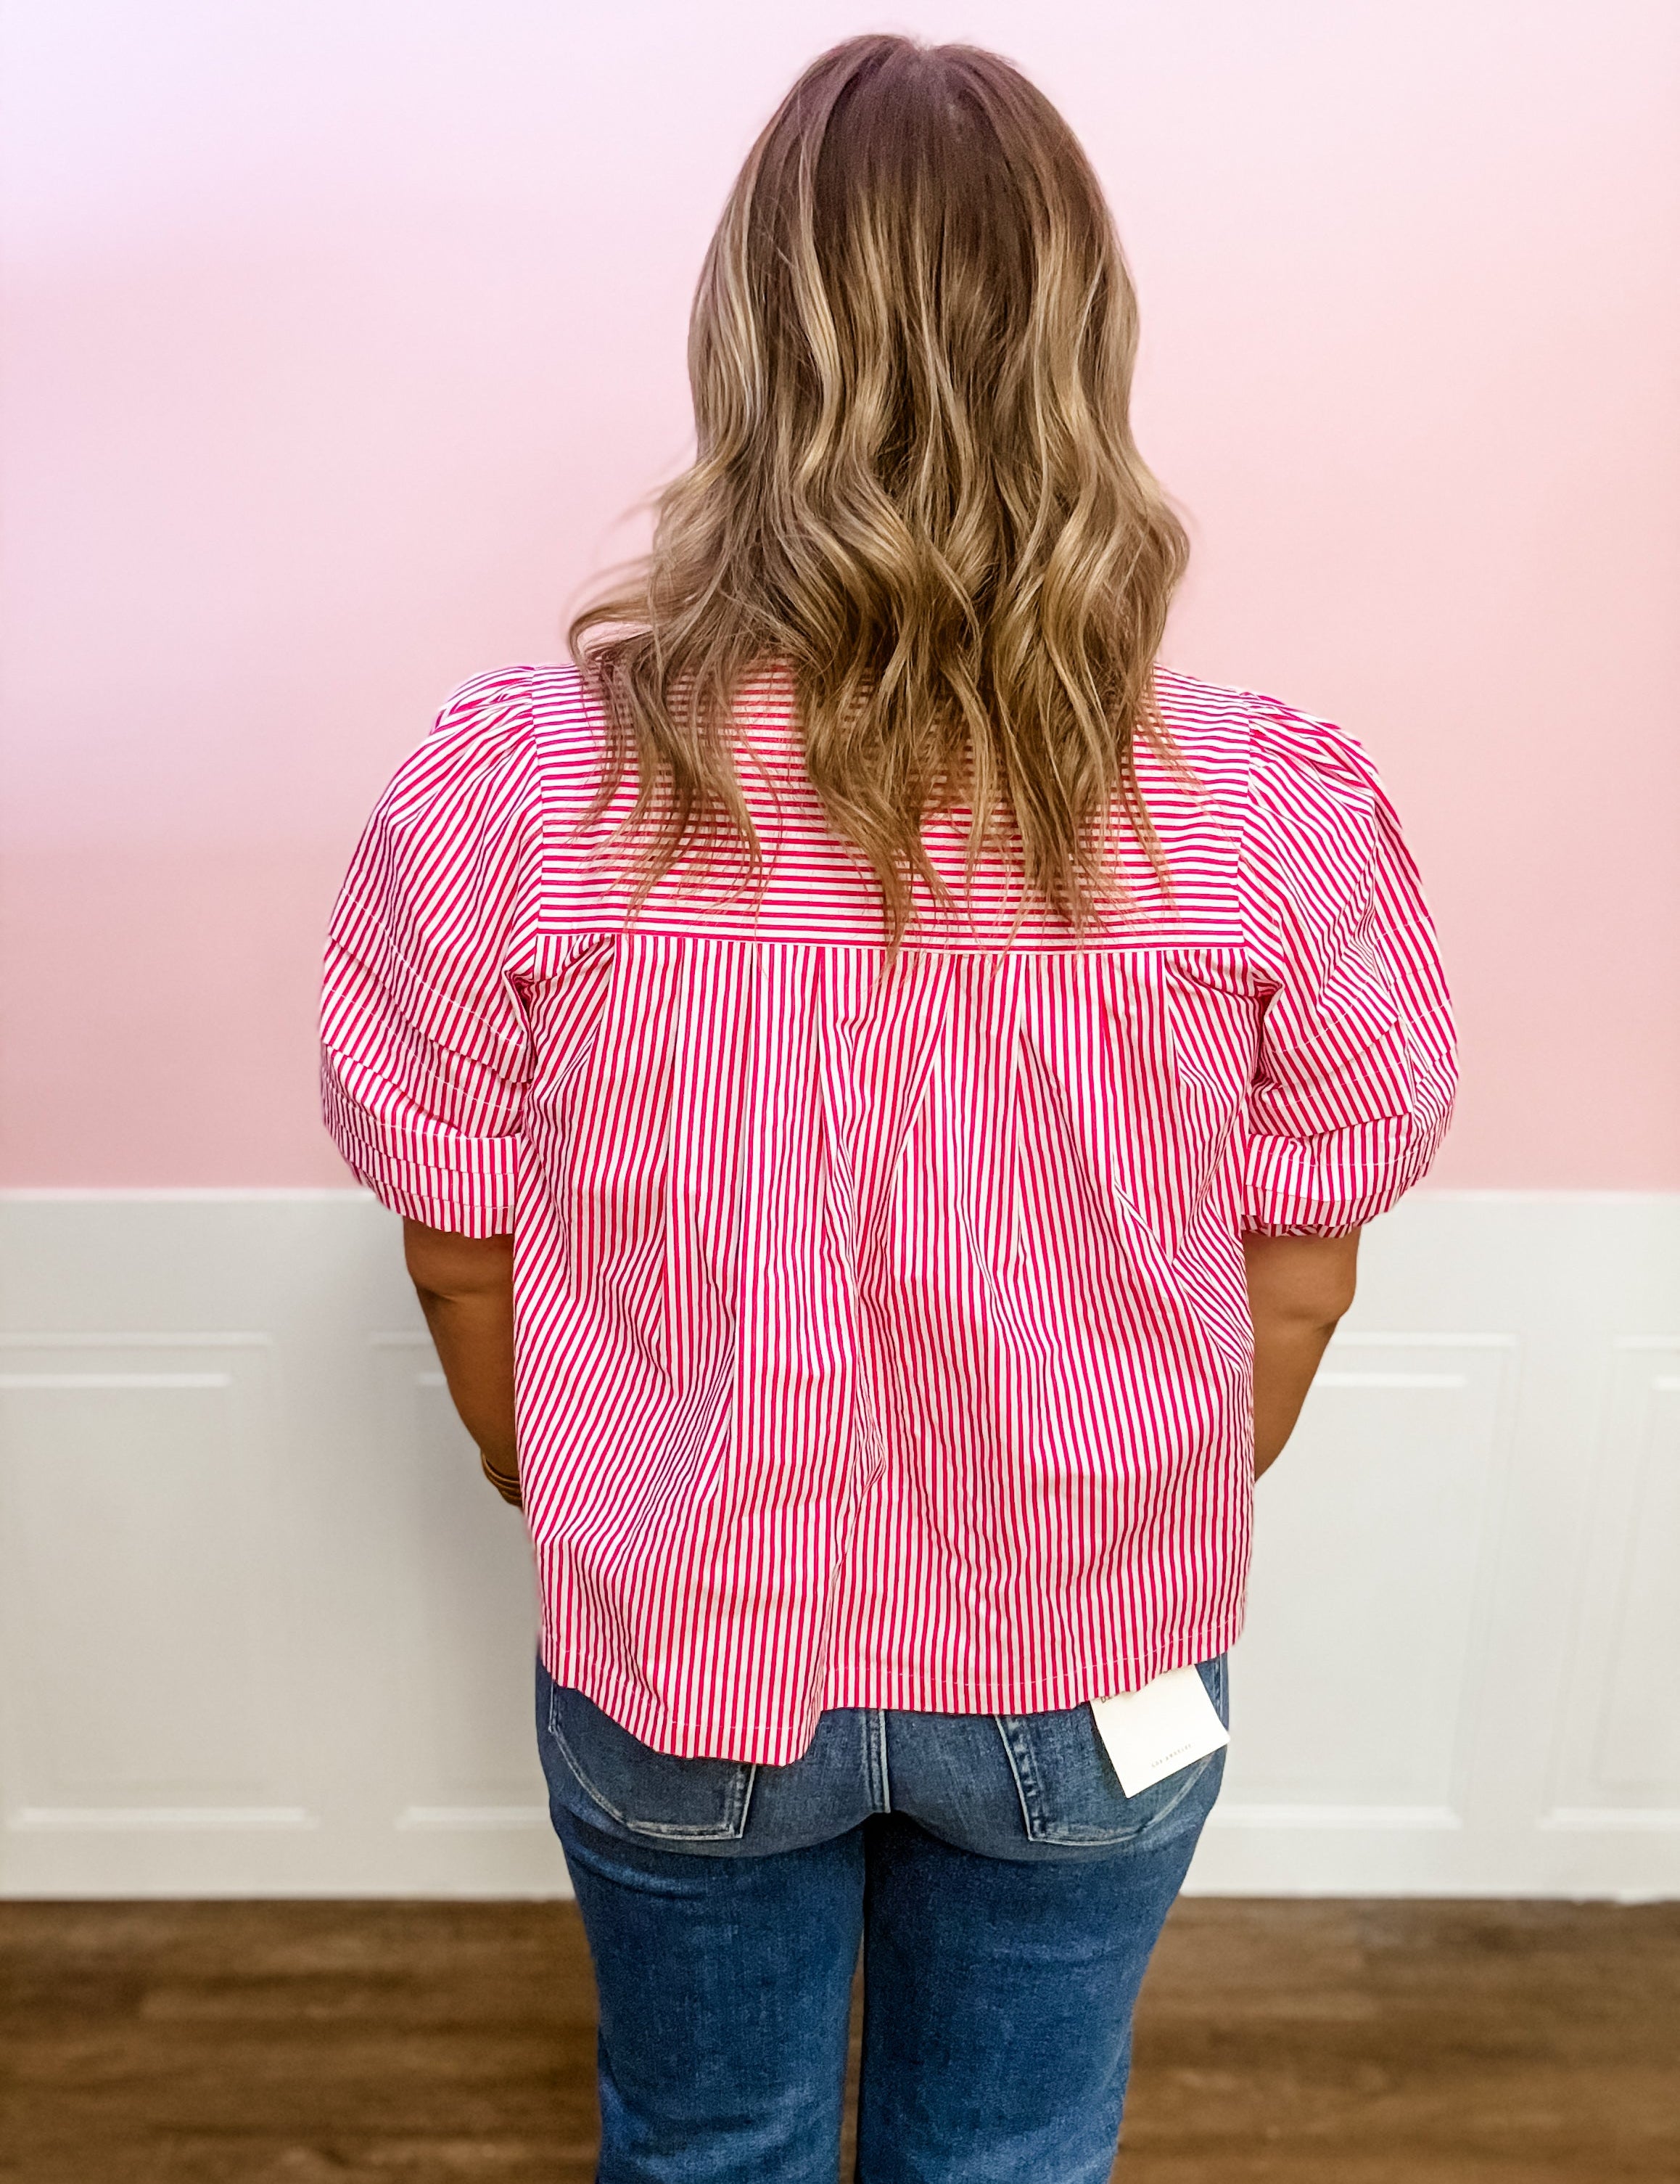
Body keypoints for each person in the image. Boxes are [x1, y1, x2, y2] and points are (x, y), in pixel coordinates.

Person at [320, 33, 1455, 2184]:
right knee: (1016, 2150)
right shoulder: (1267, 819)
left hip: (681, 1652)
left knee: (707, 2140)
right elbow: (1292, 1283)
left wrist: (549, 1469)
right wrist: (1128, 1506)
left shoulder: (510, 798)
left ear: (743, 352)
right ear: (1081, 356)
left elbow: (464, 1256)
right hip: (1097, 1645)